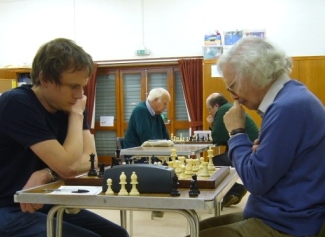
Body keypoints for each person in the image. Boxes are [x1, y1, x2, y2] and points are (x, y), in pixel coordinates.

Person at [0, 38, 129, 237]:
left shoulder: (70, 103)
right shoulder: (18, 104)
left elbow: (90, 160)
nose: (80, 95)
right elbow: (69, 168)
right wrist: (77, 115)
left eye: (82, 87)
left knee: (118, 234)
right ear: (44, 80)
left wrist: (47, 173)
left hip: (40, 201)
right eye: (73, 86)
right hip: (7, 206)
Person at [199, 36, 325, 237]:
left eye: (232, 86)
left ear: (253, 76)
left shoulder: (288, 108)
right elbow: (260, 168)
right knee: (198, 229)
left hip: (287, 225)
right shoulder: (292, 98)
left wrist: (236, 133)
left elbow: (254, 180)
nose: (234, 96)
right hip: (281, 214)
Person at [206, 92, 259, 207]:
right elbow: (223, 136)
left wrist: (212, 123)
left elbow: (217, 138)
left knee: (213, 164)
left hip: (248, 150)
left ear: (216, 106)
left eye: (209, 109)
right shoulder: (228, 107)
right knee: (222, 159)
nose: (209, 113)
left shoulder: (223, 110)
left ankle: (236, 190)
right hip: (252, 147)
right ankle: (233, 192)